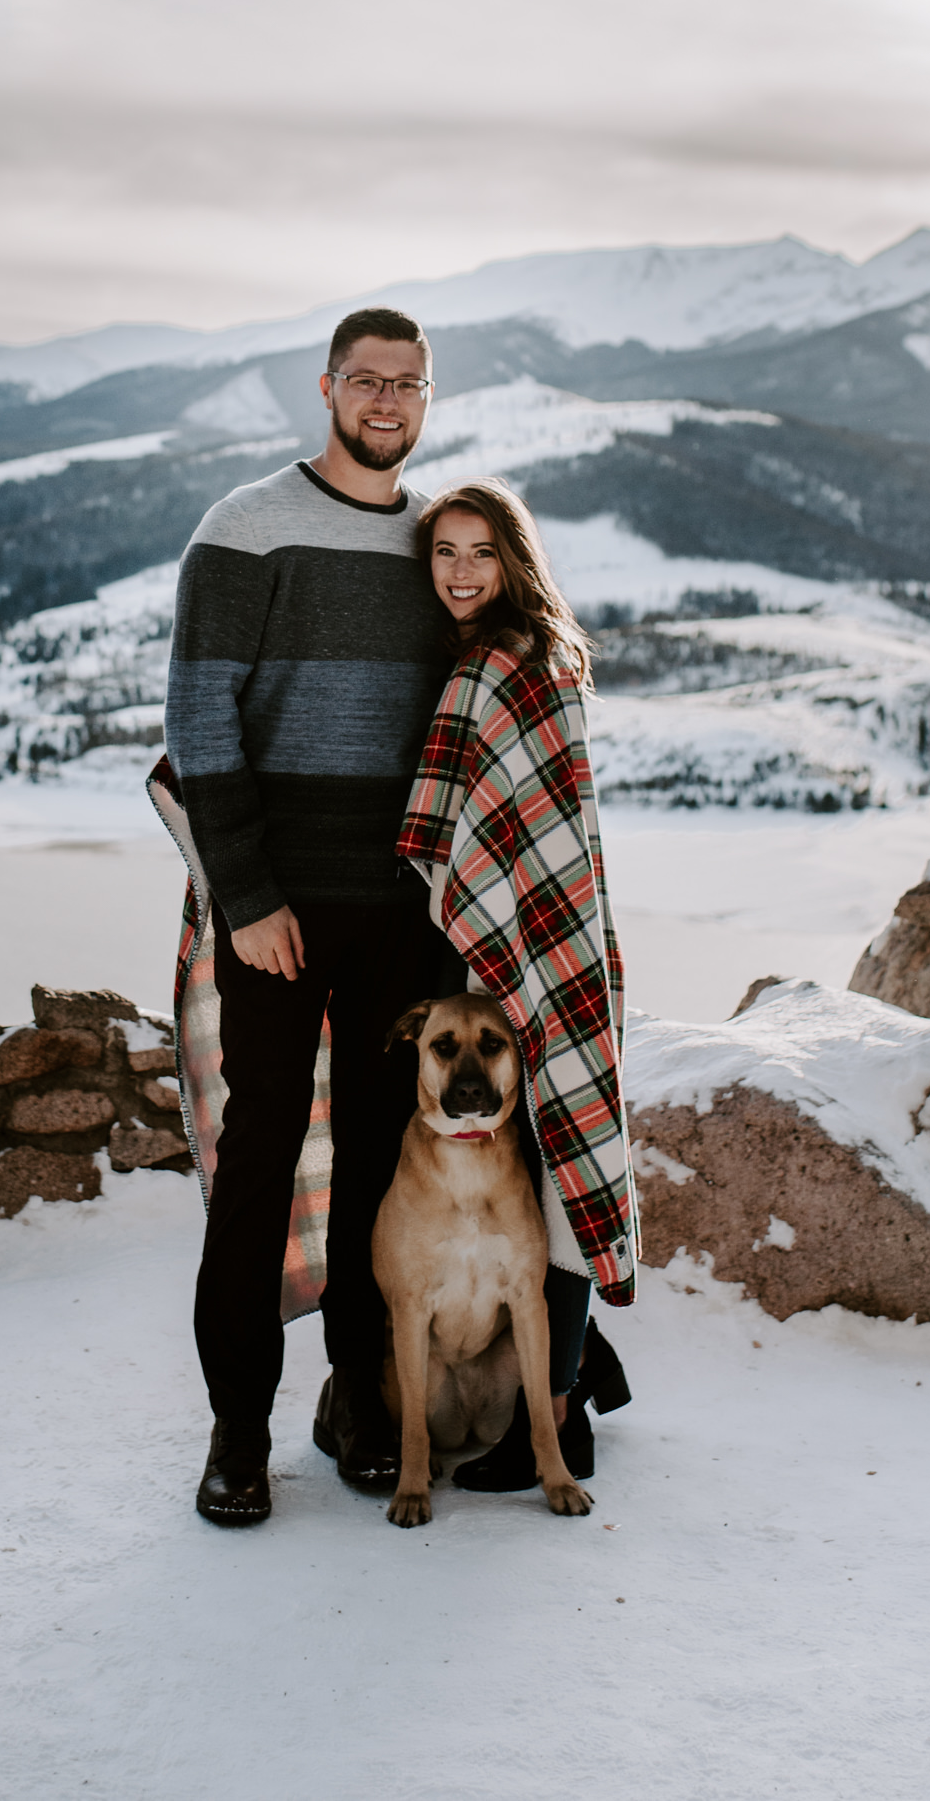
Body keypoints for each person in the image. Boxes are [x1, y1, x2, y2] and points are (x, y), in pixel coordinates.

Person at [150, 306, 448, 1527]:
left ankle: (356, 1402)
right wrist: (252, 896)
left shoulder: (440, 541)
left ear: (429, 398)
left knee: (382, 1168)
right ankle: (236, 1433)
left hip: (401, 913)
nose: (387, 401)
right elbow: (198, 720)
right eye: (367, 380)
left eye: (409, 384)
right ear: (326, 388)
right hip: (275, 911)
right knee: (258, 1171)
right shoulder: (245, 529)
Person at [397, 479, 638, 1490]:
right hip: (569, 941)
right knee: (557, 1168)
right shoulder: (547, 651)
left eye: (479, 553)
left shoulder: (497, 663)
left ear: (514, 560)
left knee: (545, 1169)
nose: (459, 572)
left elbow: (457, 832)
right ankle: (573, 1389)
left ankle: (559, 1417)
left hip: (521, 954)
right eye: (443, 553)